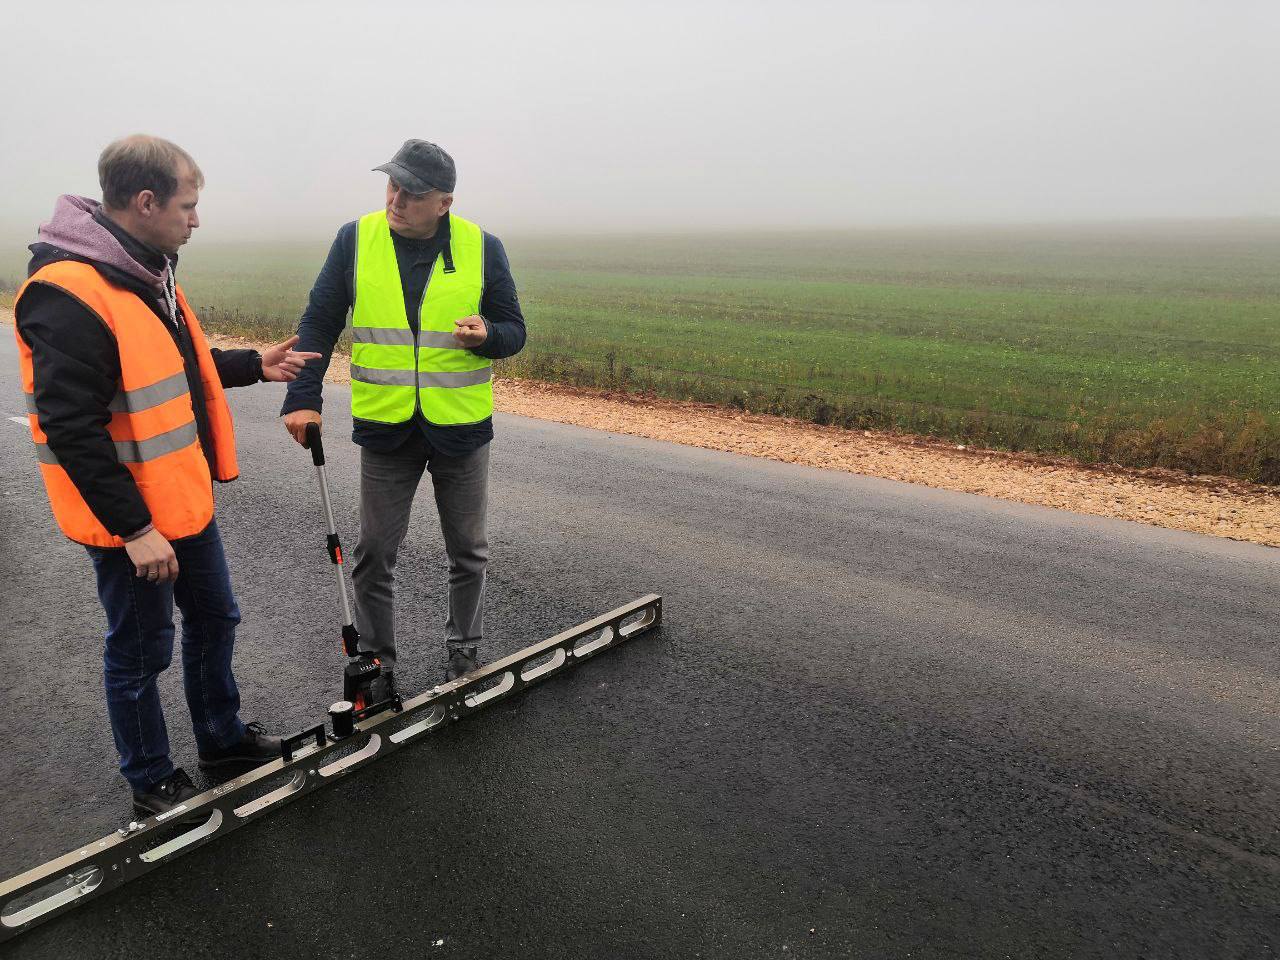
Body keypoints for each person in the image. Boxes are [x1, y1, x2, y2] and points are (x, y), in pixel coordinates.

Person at [13, 135, 320, 817]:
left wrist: (249, 365)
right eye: (189, 203)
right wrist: (135, 529)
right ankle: (151, 780)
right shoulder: (69, 292)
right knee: (142, 647)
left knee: (215, 616)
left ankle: (221, 740)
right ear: (146, 201)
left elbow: (164, 365)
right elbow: (70, 429)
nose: (196, 218)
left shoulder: (141, 267)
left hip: (180, 501)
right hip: (134, 521)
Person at [281, 139, 527, 693]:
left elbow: (515, 330)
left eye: (412, 192)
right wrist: (302, 397)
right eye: (392, 184)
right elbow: (319, 321)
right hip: (387, 427)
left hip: (460, 429)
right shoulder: (355, 239)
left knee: (468, 551)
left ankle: (463, 655)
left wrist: (489, 337)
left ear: (444, 202)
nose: (396, 198)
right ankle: (378, 665)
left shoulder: (483, 247)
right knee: (373, 554)